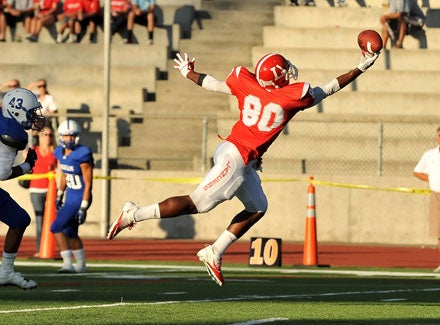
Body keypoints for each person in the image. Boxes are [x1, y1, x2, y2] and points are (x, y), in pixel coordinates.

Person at [107, 50, 380, 286]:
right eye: (284, 70)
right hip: (236, 157)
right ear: (277, 78)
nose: (289, 72)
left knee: (258, 207)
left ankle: (215, 251)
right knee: (198, 204)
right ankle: (134, 214)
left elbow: (214, 84)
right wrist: (360, 67)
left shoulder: (245, 81)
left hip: (237, 154)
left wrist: (189, 73)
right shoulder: (291, 97)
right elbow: (330, 87)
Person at [0, 87, 45, 289]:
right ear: (17, 111)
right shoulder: (11, 133)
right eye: (31, 112)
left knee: (19, 219)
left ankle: (6, 272)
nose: (34, 117)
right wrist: (27, 166)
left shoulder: (5, 122)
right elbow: (2, 173)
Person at [51, 119, 93, 273]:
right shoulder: (58, 153)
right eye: (66, 136)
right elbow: (63, 175)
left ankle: (67, 263)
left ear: (77, 137)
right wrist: (59, 195)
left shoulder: (83, 153)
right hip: (69, 196)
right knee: (70, 232)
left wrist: (83, 206)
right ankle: (81, 265)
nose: (69, 139)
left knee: (56, 227)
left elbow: (88, 183)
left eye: (71, 136)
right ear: (60, 136)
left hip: (80, 197)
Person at [27, 122, 57, 258]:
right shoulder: (33, 150)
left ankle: (54, 248)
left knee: (52, 220)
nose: (47, 137)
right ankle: (40, 249)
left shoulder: (55, 153)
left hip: (50, 191)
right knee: (40, 220)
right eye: (44, 134)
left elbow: (59, 170)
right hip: (36, 190)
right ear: (39, 136)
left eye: (50, 135)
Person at [413, 127, 440, 272]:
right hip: (436, 195)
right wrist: (431, 178)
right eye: (439, 135)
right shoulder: (430, 155)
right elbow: (417, 171)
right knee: (439, 232)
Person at [27, 79, 58, 145]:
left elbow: (53, 111)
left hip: (45, 121)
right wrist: (35, 84)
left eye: (44, 86)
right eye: (40, 86)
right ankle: (35, 145)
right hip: (36, 121)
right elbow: (26, 92)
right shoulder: (36, 97)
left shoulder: (49, 98)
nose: (42, 88)